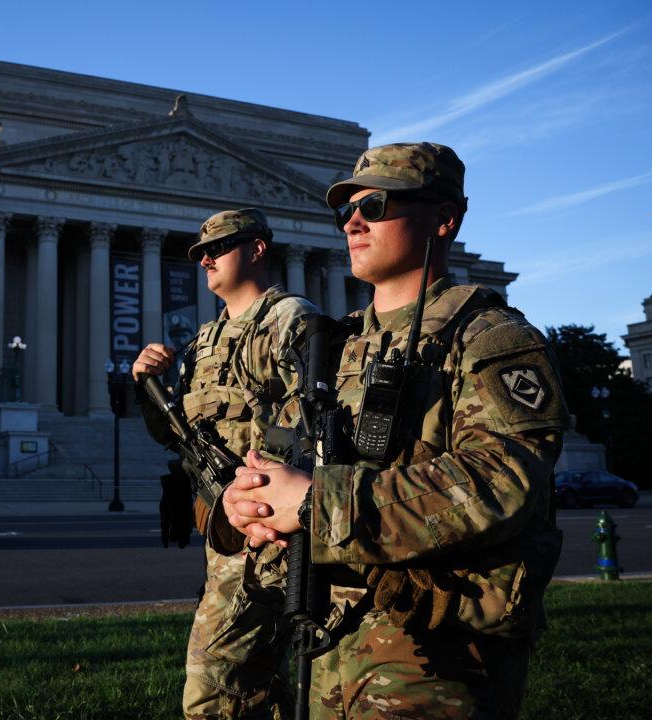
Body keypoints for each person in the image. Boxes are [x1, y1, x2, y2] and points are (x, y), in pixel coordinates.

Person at [216, 143, 568, 719]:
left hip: (435, 653)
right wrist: (246, 500)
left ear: (444, 219)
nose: (353, 221)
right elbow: (279, 452)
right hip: (327, 642)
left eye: (376, 205)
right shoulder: (330, 348)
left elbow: (505, 478)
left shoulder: (490, 338)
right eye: (345, 210)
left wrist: (315, 501)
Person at [133, 208, 319, 720]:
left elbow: (317, 418)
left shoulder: (290, 320)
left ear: (257, 250)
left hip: (268, 531)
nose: (205, 259)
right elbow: (174, 437)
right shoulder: (203, 342)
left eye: (218, 248)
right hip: (225, 530)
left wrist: (268, 488)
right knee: (255, 681)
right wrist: (146, 387)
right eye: (199, 253)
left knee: (212, 686)